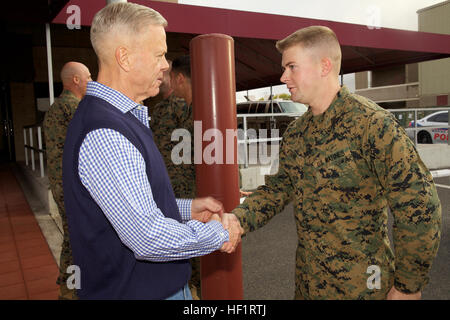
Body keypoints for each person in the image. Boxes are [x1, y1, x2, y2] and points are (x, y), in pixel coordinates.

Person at [231, 26, 441, 300]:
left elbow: (419, 206)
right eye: (284, 68)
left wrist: (407, 286)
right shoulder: (297, 133)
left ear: (324, 66)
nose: (284, 77)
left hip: (364, 288)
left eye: (292, 67)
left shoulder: (372, 125)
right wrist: (237, 221)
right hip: (309, 284)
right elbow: (278, 189)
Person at [62, 2, 242, 300]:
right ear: (125, 58)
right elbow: (147, 237)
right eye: (159, 54)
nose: (166, 65)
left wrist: (184, 209)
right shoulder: (106, 132)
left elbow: (131, 205)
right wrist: (220, 233)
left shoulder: (119, 118)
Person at [43, 61, 91, 300]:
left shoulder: (57, 108)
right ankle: (71, 289)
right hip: (73, 187)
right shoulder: (72, 108)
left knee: (74, 236)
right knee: (76, 239)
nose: (90, 81)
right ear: (75, 80)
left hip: (63, 184)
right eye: (88, 77)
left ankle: (70, 285)